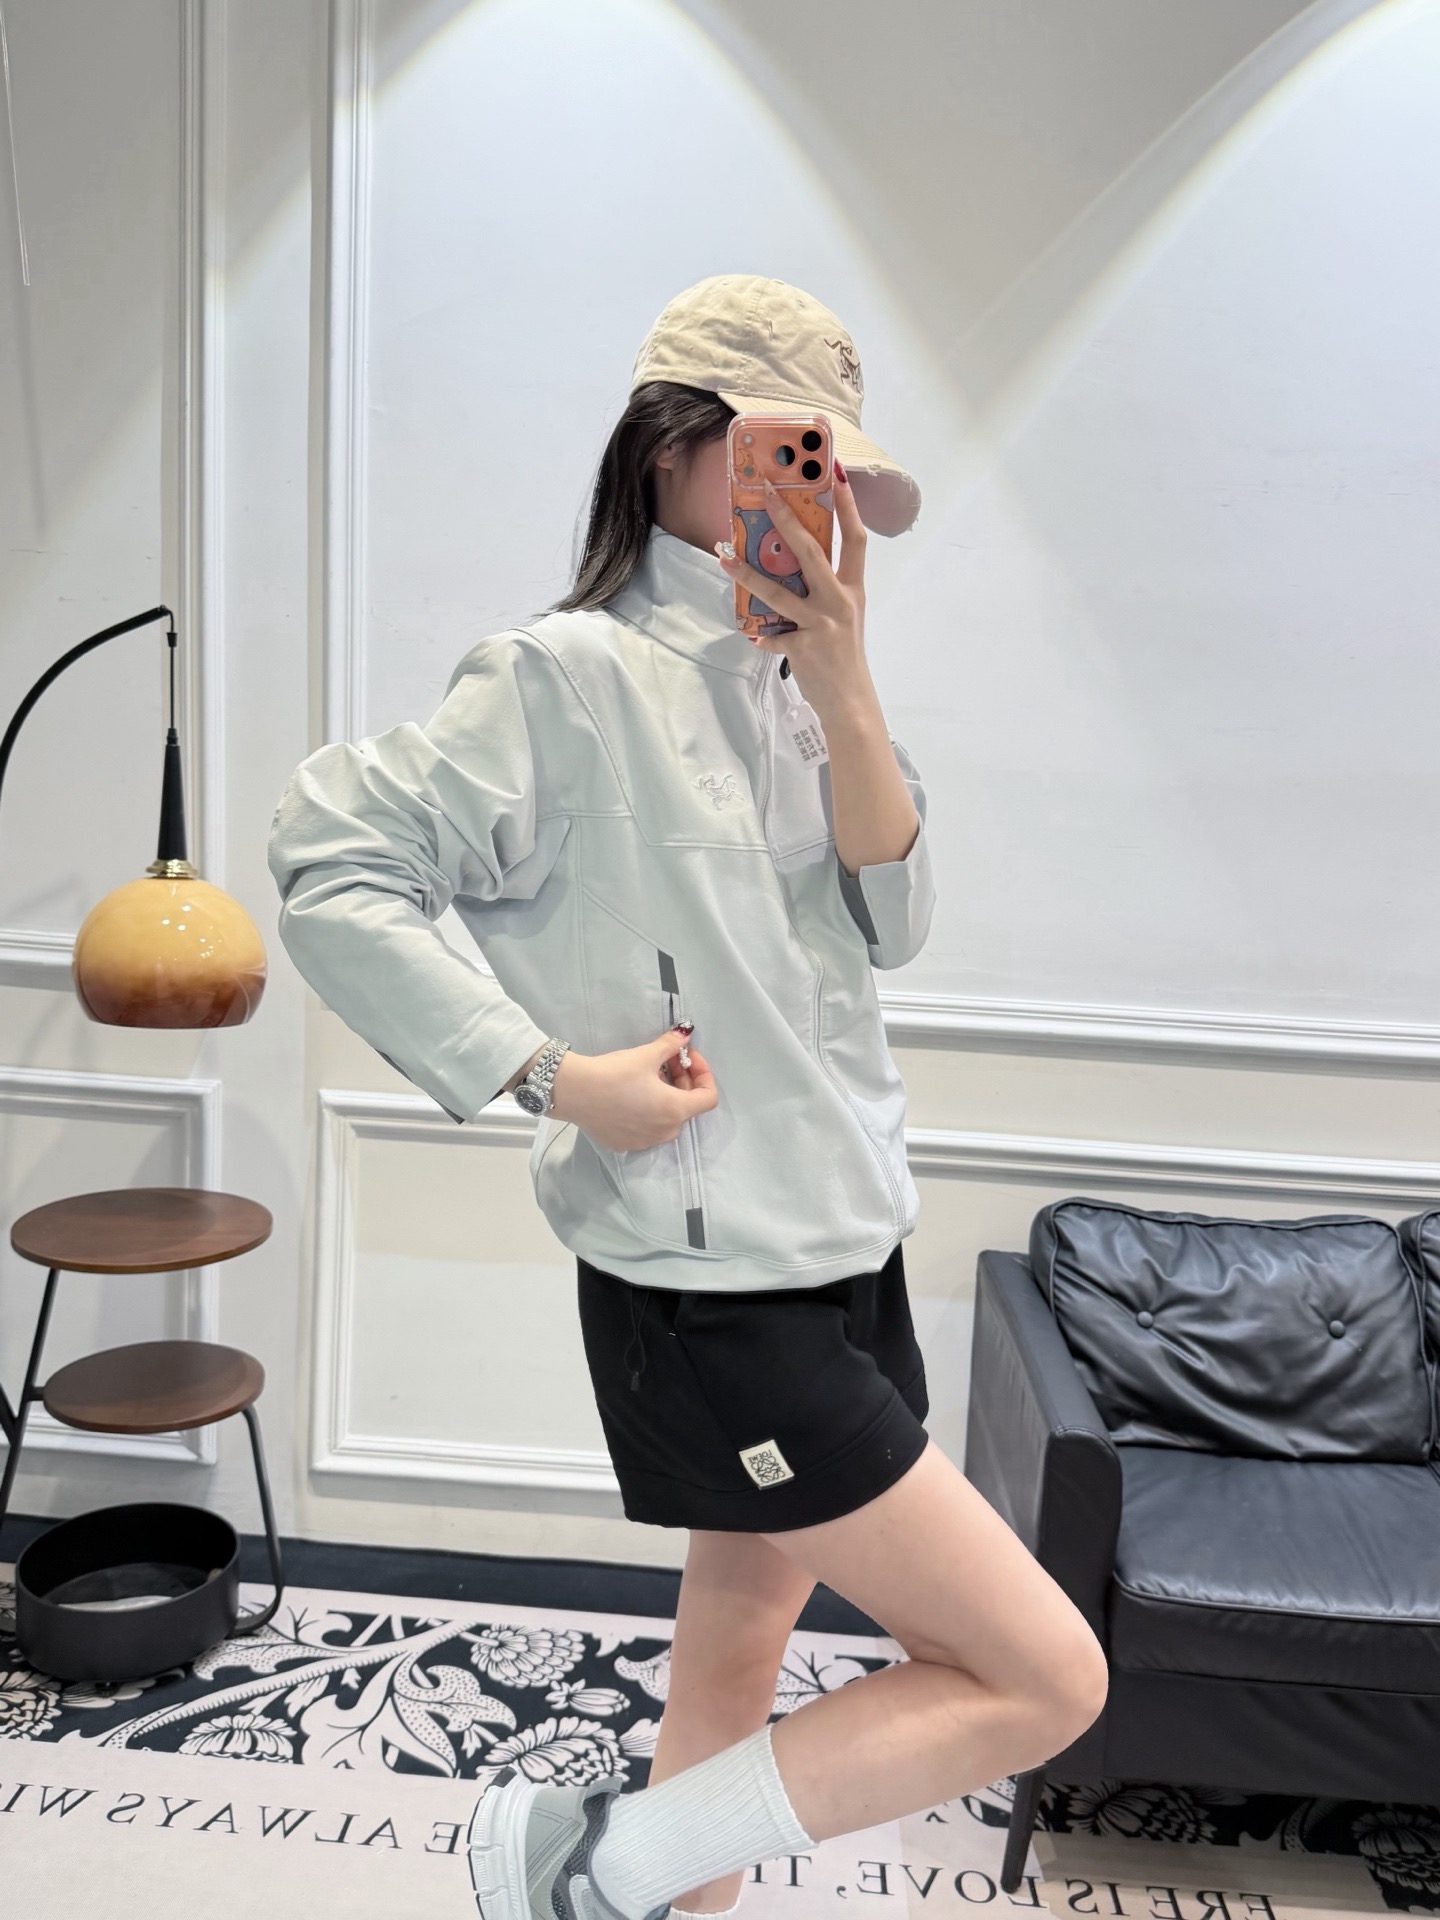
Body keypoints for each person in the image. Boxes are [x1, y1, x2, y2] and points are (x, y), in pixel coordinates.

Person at [266, 274, 1107, 1920]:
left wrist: (846, 674)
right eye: (791, 455)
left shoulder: (808, 684)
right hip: (716, 1296)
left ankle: (636, 1887)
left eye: (837, 472)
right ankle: (600, 1862)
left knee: (731, 1664)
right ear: (672, 451)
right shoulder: (563, 678)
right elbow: (331, 861)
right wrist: (553, 1075)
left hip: (846, 1246)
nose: (820, 498)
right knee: (1042, 1675)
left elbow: (895, 921)